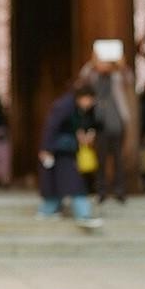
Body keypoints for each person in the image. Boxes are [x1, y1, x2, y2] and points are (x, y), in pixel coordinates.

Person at [36, 82, 104, 229]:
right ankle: (83, 214)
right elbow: (51, 126)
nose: (91, 104)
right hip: (60, 149)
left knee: (57, 181)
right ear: (83, 97)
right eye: (90, 100)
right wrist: (45, 148)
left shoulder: (72, 106)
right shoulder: (65, 106)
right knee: (75, 182)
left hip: (62, 148)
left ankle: (47, 210)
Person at [77, 43, 134, 204]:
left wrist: (121, 65)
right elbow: (83, 76)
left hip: (117, 122)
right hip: (99, 123)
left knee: (118, 159)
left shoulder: (116, 77)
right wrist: (93, 61)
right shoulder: (94, 76)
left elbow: (129, 78)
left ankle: (120, 190)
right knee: (100, 159)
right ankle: (101, 190)